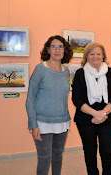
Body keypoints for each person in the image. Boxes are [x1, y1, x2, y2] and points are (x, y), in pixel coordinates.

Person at [26, 35, 73, 175]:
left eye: (60, 47)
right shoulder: (40, 69)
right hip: (42, 123)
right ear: (48, 49)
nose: (57, 50)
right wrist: (33, 124)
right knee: (44, 160)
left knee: (58, 158)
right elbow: (30, 99)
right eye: (54, 46)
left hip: (62, 123)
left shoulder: (66, 71)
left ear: (65, 50)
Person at [72, 42, 111, 175]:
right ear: (86, 56)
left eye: (98, 53)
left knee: (107, 152)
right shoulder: (80, 73)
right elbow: (76, 99)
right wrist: (95, 114)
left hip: (108, 117)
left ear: (103, 55)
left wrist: (103, 113)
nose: (95, 56)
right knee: (90, 152)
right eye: (92, 54)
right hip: (85, 118)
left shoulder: (110, 72)